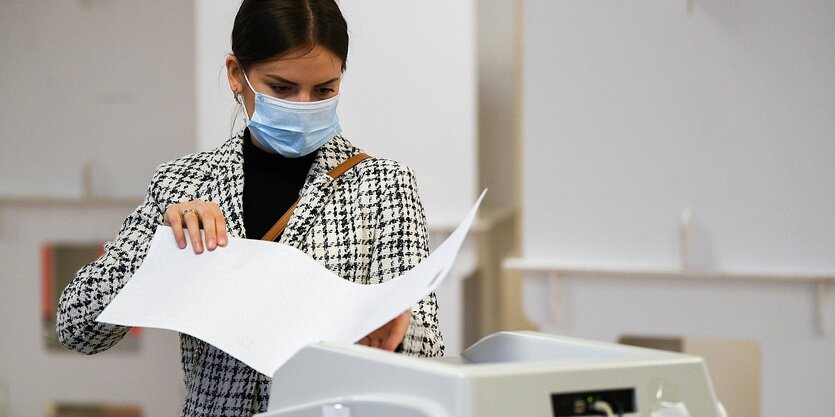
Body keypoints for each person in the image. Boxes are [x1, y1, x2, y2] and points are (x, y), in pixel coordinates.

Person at [56, 0, 444, 415]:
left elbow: (428, 351)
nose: (302, 104)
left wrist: (394, 334)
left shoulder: (383, 184)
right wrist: (158, 247)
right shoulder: (183, 182)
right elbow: (77, 329)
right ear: (235, 74)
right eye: (281, 88)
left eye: (324, 90)